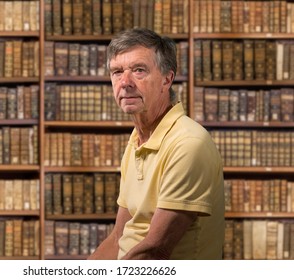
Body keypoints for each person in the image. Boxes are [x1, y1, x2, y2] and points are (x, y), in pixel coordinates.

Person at [88, 28, 225, 260]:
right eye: (117, 72)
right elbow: (118, 237)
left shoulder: (188, 144)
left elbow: (155, 252)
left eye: (139, 70)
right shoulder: (136, 141)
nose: (125, 82)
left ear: (167, 79)